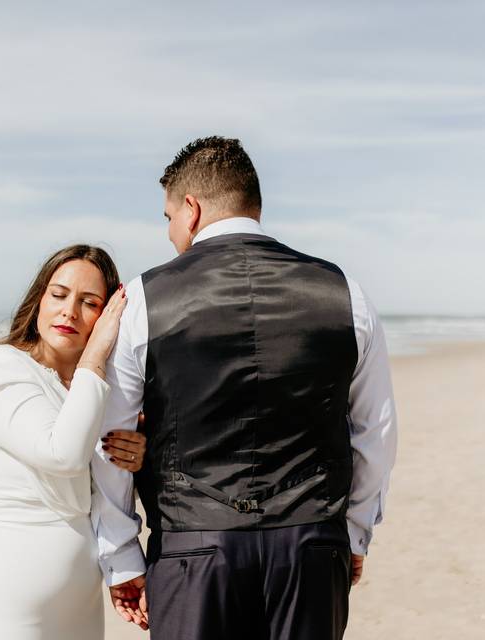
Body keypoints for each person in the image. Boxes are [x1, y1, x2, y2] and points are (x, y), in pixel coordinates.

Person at [92, 136, 398, 639]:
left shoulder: (145, 299)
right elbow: (376, 434)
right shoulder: (346, 293)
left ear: (191, 209)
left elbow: (111, 440)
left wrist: (122, 555)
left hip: (193, 549)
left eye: (168, 217)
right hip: (311, 545)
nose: (170, 232)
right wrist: (354, 532)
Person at [0, 245, 147, 640]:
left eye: (89, 302)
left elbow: (99, 487)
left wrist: (132, 455)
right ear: (39, 299)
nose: (70, 311)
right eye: (59, 294)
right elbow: (62, 454)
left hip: (78, 603)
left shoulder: (90, 390)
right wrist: (97, 352)